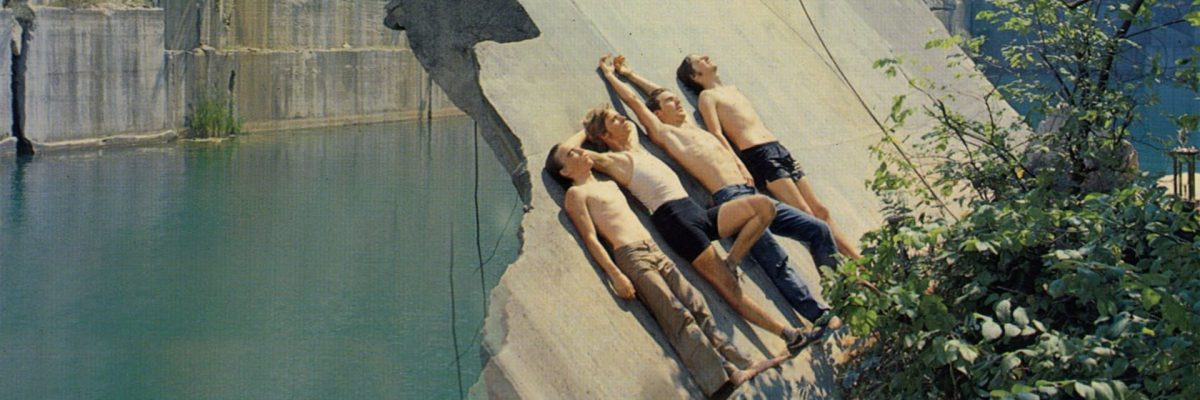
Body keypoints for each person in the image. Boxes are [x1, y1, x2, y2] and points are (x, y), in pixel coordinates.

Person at [599, 55, 841, 330]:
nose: (677, 102)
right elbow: (635, 102)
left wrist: (630, 73)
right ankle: (819, 315)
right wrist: (612, 76)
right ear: (657, 114)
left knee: (818, 229)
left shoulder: (690, 126)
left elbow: (658, 93)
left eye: (676, 99)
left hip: (752, 193)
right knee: (775, 259)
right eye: (670, 102)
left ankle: (842, 293)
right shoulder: (666, 134)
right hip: (731, 199)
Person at [558, 115, 821, 355]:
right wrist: (585, 130)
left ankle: (732, 261)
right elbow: (567, 150)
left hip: (695, 211)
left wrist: (616, 88)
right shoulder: (612, 161)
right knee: (729, 287)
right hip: (676, 221)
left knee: (764, 207)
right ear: (604, 135)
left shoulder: (635, 146)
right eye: (614, 120)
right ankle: (789, 335)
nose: (622, 118)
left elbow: (634, 109)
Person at [546, 144, 785, 398]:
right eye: (571, 154)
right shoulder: (576, 194)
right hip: (631, 257)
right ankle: (718, 384)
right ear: (565, 171)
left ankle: (742, 364)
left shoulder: (609, 184)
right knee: (676, 314)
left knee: (697, 305)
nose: (580, 152)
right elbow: (591, 239)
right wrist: (614, 273)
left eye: (577, 149)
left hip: (653, 248)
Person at [677, 53, 862, 259]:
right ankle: (840, 267)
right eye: (699, 61)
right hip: (759, 156)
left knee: (821, 210)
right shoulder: (707, 97)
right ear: (696, 76)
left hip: (778, 149)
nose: (706, 57)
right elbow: (717, 133)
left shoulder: (733, 90)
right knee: (806, 214)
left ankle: (859, 261)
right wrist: (739, 165)